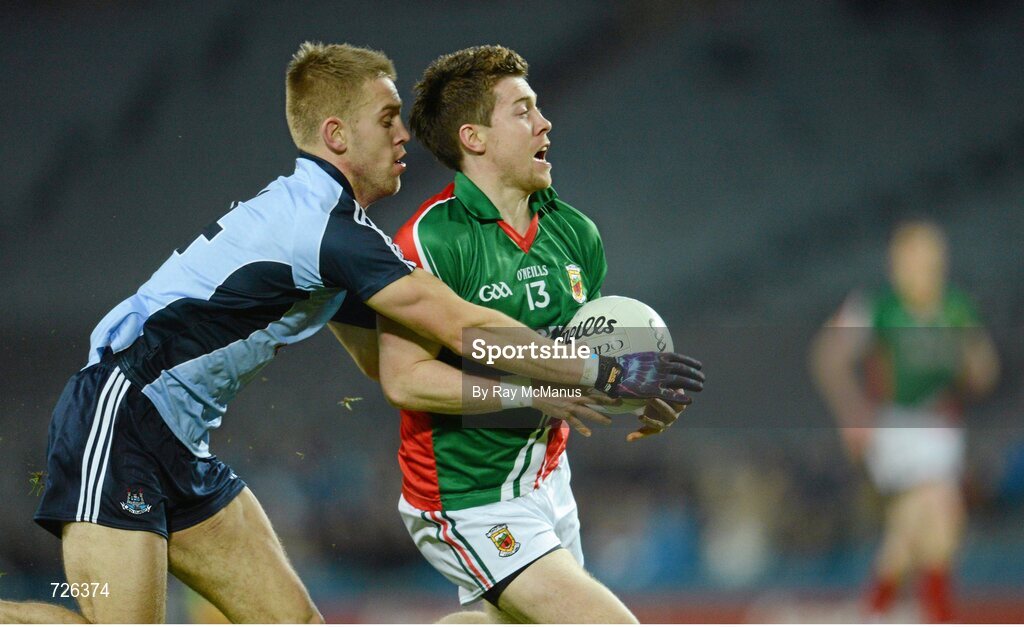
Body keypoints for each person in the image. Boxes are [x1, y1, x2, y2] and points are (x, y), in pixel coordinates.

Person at [0, 42, 696, 624]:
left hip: (180, 442)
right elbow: (460, 323)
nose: (404, 136)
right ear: (337, 136)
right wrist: (594, 370)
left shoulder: (338, 238)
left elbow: (387, 369)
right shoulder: (325, 232)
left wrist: (542, 396)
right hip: (117, 414)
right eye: (388, 119)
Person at [378, 45, 704, 624]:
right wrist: (523, 394)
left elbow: (587, 354)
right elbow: (404, 380)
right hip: (467, 495)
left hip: (547, 479)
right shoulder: (430, 242)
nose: (545, 122)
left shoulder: (574, 232)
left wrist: (641, 390)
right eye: (523, 110)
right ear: (474, 138)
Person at [810, 220, 999, 622]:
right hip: (895, 426)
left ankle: (873, 610)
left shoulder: (956, 307)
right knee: (941, 514)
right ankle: (937, 616)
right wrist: (852, 413)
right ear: (897, 264)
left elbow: (984, 369)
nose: (925, 268)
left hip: (942, 429)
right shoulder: (878, 306)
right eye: (915, 258)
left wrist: (975, 365)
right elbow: (828, 355)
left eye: (932, 258)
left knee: (912, 537)